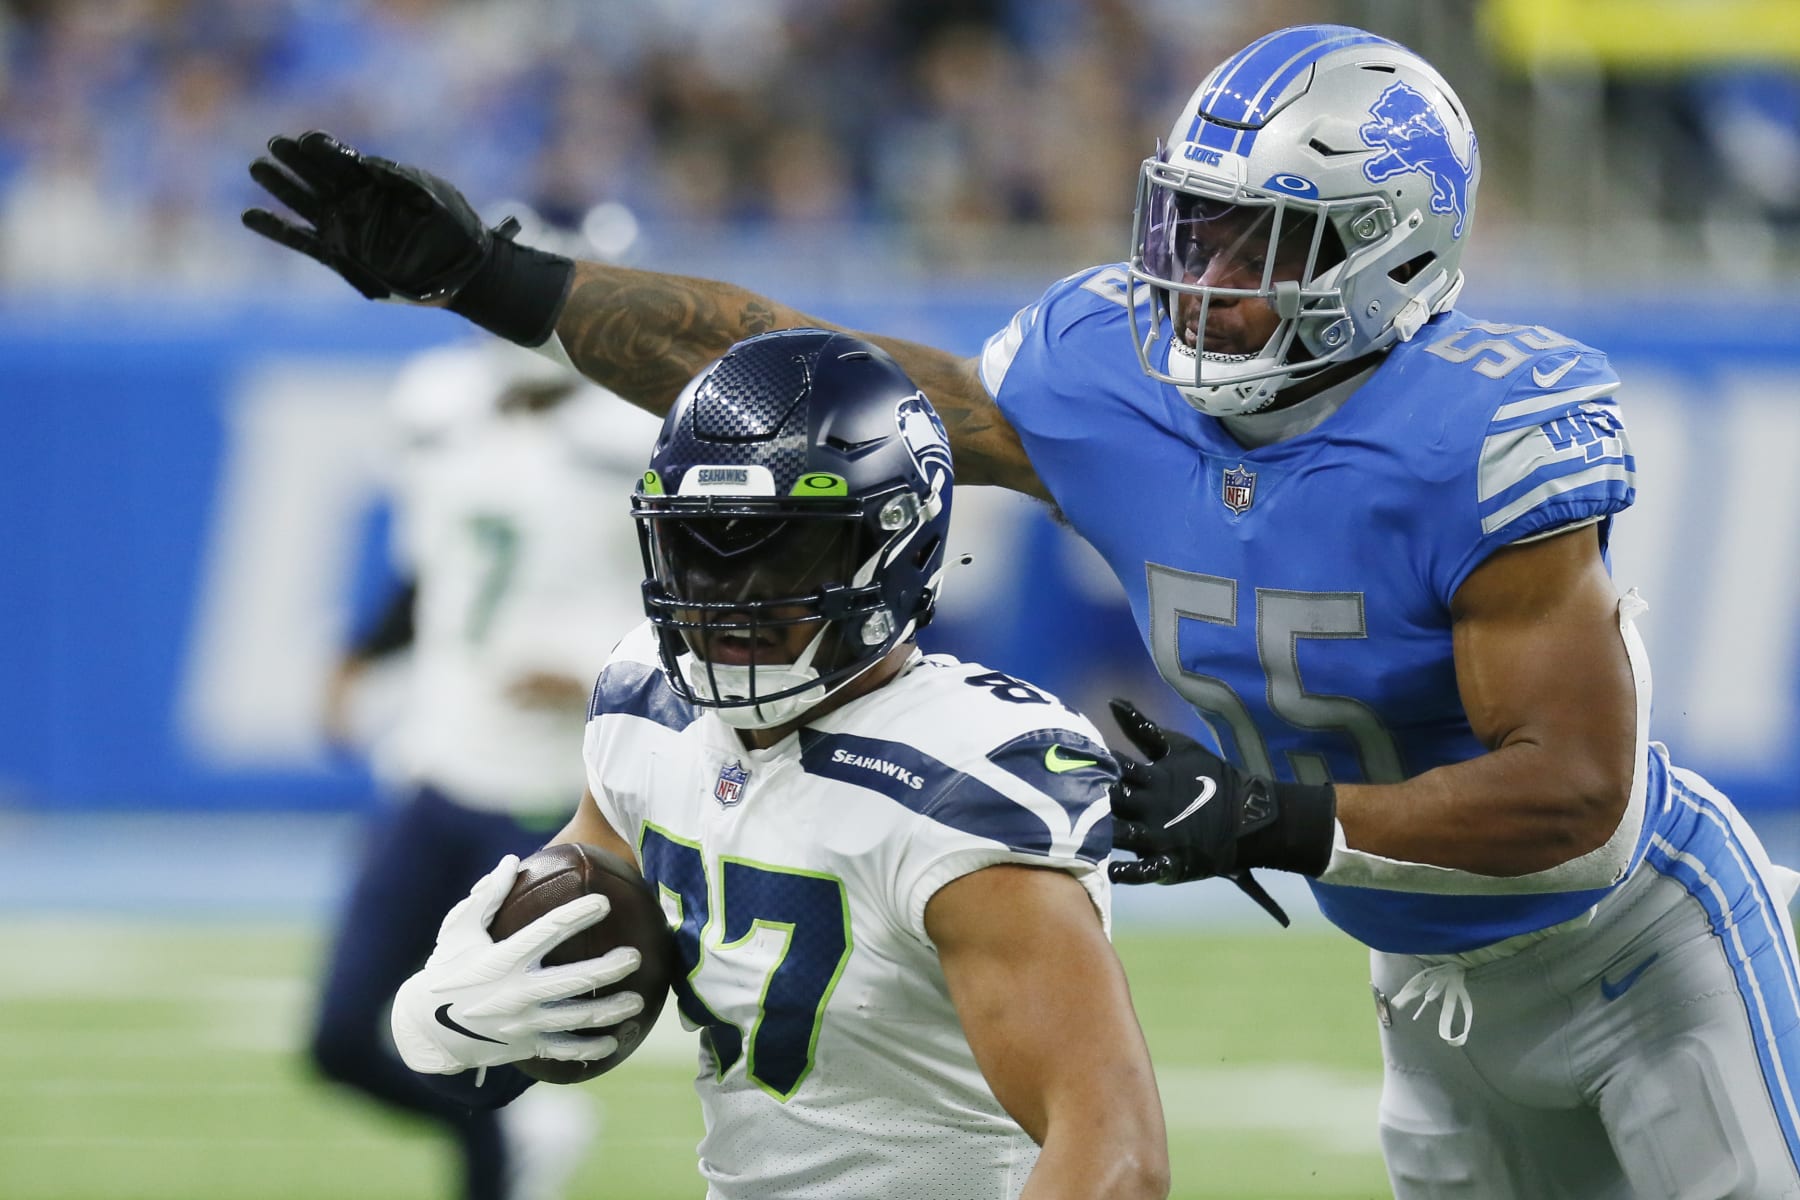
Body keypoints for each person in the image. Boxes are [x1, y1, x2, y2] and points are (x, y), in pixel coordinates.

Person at [244, 22, 1800, 1197]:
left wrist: (1275, 816)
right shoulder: (1107, 374)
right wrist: (492, 279)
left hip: (1642, 951)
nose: (1202, 278)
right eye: (1195, 226)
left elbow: (1580, 796)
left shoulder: (1478, 439)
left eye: (1258, 247)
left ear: (1390, 256)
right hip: (1426, 985)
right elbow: (808, 366)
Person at [381, 328, 1171, 1200]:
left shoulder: (961, 781)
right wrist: (459, 1015)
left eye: (780, 548)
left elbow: (1116, 1161)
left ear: (894, 547)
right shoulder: (645, 701)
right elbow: (590, 918)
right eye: (699, 544)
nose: (729, 594)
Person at [310, 337, 658, 1200]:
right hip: (437, 769)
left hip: (540, 797)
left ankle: (506, 1153)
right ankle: (519, 1130)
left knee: (495, 1056)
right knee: (341, 1042)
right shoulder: (455, 427)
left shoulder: (627, 445)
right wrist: (358, 659)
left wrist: (592, 677)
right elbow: (436, 577)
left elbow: (681, 616)